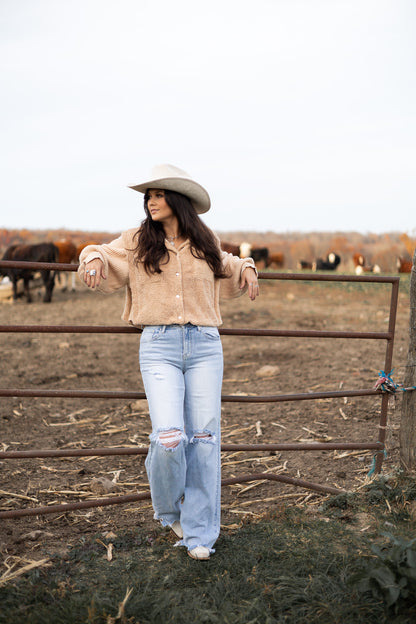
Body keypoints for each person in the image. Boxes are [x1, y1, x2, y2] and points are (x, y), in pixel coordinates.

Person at [78, 164, 259, 560]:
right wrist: (91, 259)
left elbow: (227, 263)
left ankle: (199, 535)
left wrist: (246, 266)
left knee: (207, 441)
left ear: (178, 200)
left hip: (205, 345)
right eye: (148, 196)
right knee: (170, 437)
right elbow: (100, 252)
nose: (151, 201)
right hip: (158, 345)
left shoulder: (203, 238)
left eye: (158, 194)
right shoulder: (137, 241)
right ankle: (167, 509)